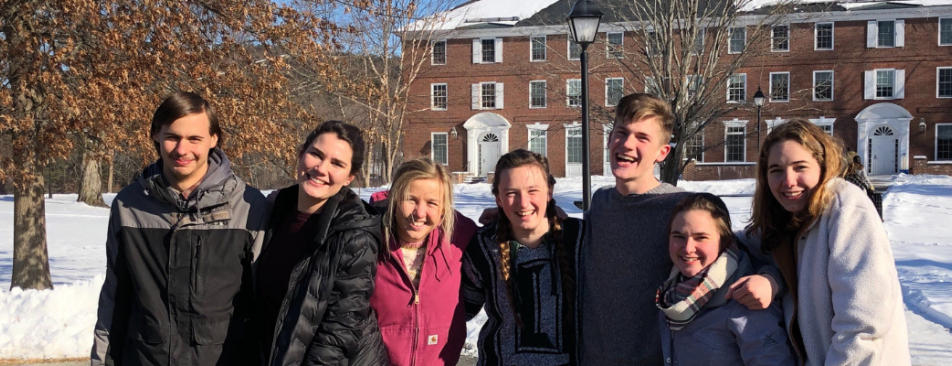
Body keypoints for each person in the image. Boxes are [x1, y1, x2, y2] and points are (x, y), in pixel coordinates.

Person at [579, 93, 781, 365]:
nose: (627, 144)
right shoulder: (601, 202)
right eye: (621, 132)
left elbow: (750, 254)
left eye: (642, 137)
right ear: (609, 138)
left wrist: (770, 280)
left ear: (663, 153)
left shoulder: (683, 208)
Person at [91, 92, 270, 365]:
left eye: (194, 139)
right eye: (173, 137)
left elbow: (264, 303)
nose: (182, 150)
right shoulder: (129, 205)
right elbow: (116, 295)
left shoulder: (248, 205)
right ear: (155, 135)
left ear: (214, 139)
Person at [744, 118, 910, 366]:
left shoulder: (846, 209)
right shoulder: (783, 220)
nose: (788, 181)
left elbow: (863, 325)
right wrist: (771, 277)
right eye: (776, 170)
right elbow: (740, 248)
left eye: (800, 167)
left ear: (823, 167)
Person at [257, 121, 387, 365]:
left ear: (349, 178)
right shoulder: (274, 211)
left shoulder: (355, 234)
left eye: (336, 164)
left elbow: (339, 331)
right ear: (301, 154)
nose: (321, 168)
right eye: (316, 154)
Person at [462, 149, 585, 366]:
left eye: (533, 191)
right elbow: (456, 310)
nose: (523, 202)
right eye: (511, 193)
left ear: (549, 191)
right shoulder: (482, 247)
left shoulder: (580, 239)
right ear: (498, 198)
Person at [657, 193, 795, 366]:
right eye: (679, 236)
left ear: (724, 241)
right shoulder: (671, 291)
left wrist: (774, 279)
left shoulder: (745, 299)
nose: (688, 248)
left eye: (701, 237)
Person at [369, 159, 478, 366]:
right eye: (410, 199)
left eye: (432, 203)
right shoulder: (368, 241)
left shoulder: (460, 236)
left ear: (443, 209)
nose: (419, 213)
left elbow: (512, 223)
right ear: (394, 199)